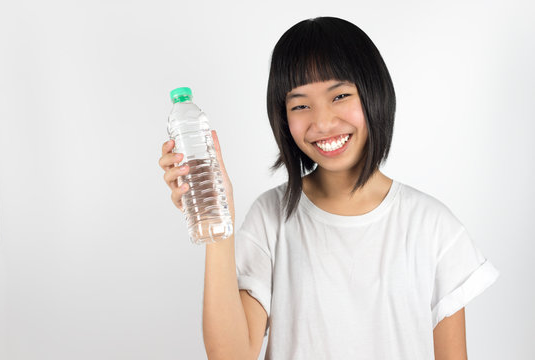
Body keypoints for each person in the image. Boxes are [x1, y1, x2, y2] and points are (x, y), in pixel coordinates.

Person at [159, 16, 500, 360]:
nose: (322, 122)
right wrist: (219, 223)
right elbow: (229, 355)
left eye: (339, 95)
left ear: (374, 92)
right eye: (301, 105)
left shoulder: (433, 227)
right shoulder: (271, 219)